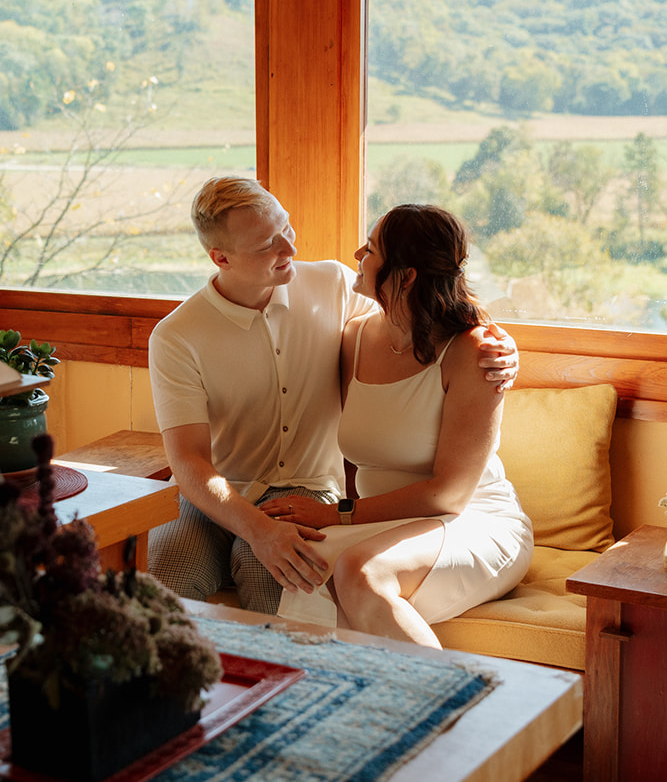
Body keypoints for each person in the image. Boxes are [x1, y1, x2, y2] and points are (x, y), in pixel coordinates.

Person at [146, 177, 518, 614]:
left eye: (286, 228)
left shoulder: (335, 286)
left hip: (309, 489)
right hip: (217, 495)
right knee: (163, 580)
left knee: (278, 578)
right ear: (221, 258)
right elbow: (189, 462)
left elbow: (421, 319)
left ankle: (276, 661)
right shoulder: (176, 336)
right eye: (267, 244)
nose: (289, 248)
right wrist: (257, 529)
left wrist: (498, 345)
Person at [261, 204, 533, 645]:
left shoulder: (475, 352)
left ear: (406, 276)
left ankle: (453, 689)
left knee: (361, 571)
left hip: (470, 519)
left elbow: (448, 495)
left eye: (370, 249)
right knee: (307, 566)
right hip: (388, 524)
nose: (357, 254)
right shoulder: (355, 337)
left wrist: (334, 514)